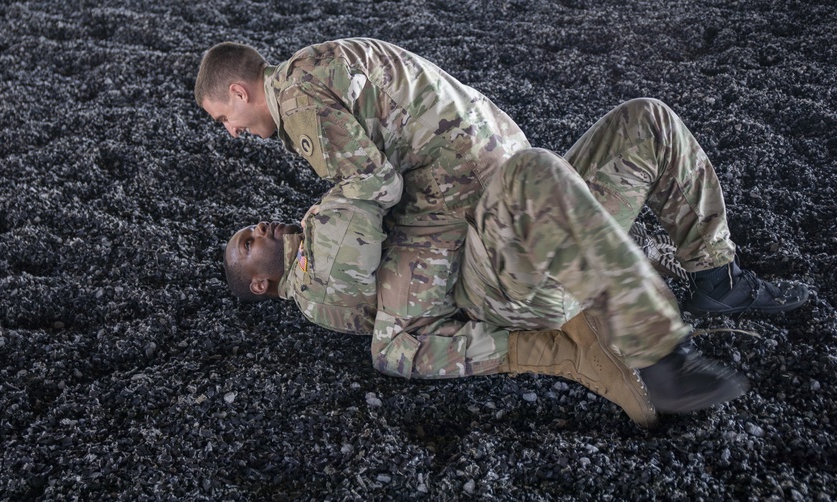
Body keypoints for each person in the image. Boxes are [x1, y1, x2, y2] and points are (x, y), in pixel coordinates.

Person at [201, 38, 809, 422]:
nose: (231, 132)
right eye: (250, 241)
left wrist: (339, 221)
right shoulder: (328, 68)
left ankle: (715, 274)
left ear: (239, 89)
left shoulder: (300, 96)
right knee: (536, 171)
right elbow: (384, 319)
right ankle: (659, 355)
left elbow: (370, 187)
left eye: (225, 117)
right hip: (514, 250)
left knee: (646, 122)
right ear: (261, 284)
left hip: (518, 220)